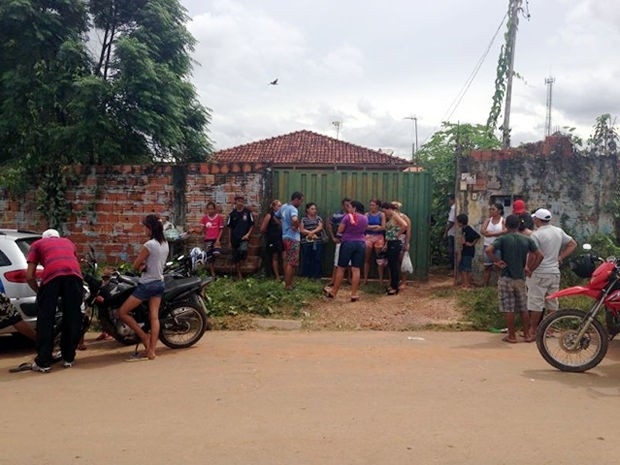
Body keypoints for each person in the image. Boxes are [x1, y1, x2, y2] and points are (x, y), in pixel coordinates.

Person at [25, 228, 84, 372]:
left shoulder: (37, 244)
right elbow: (74, 263)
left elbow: (29, 275)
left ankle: (43, 362)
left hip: (52, 276)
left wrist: (39, 291)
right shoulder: (68, 242)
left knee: (46, 319)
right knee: (72, 316)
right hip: (74, 277)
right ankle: (68, 358)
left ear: (44, 238)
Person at [117, 214, 169, 360]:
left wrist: (141, 266)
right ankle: (151, 351)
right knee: (154, 317)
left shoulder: (149, 245)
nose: (144, 230)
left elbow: (135, 265)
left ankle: (144, 337)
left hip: (147, 285)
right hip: (159, 282)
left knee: (122, 313)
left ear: (150, 228)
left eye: (145, 227)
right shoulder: (165, 244)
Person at [485, 215, 543, 344]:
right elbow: (539, 255)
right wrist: (530, 269)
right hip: (520, 278)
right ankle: (527, 335)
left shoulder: (503, 239)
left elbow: (489, 250)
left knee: (509, 308)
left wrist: (497, 261)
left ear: (506, 226)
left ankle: (512, 336)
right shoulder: (526, 240)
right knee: (523, 307)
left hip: (506, 277)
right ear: (518, 225)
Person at [525, 208, 578, 341]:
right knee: (552, 301)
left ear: (538, 220)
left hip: (539, 272)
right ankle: (550, 329)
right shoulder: (558, 231)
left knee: (536, 302)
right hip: (554, 272)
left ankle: (533, 330)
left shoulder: (536, 235)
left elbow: (533, 255)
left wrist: (529, 268)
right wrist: (560, 257)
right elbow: (572, 244)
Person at [323, 200, 368, 302]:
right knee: (356, 269)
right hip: (361, 243)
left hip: (348, 243)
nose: (349, 209)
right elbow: (364, 230)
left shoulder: (348, 217)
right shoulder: (365, 218)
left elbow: (340, 230)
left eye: (350, 207)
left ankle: (334, 292)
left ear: (355, 208)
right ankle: (354, 294)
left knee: (341, 268)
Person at [277, 191, 304, 290]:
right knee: (292, 263)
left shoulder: (284, 207)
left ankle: (288, 282)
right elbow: (294, 219)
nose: (301, 203)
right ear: (296, 199)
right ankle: (288, 285)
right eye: (301, 201)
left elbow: (276, 216)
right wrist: (296, 225)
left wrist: (283, 226)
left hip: (285, 237)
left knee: (287, 260)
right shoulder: (293, 209)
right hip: (293, 238)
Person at [381, 202, 409, 295]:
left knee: (394, 265)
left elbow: (404, 225)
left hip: (395, 243)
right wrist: (386, 243)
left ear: (389, 209)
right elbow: (388, 230)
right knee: (391, 264)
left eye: (385, 211)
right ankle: (392, 285)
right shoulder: (390, 217)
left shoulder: (395, 215)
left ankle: (394, 287)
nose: (385, 213)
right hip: (390, 242)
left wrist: (397, 234)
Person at [226, 195, 255, 280]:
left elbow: (252, 225)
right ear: (235, 202)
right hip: (234, 238)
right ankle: (239, 275)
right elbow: (229, 228)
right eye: (239, 201)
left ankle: (241, 271)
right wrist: (229, 241)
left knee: (243, 251)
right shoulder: (232, 214)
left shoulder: (248, 212)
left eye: (242, 201)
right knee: (236, 257)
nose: (240, 203)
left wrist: (248, 234)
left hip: (244, 238)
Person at [327, 197, 352, 286]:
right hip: (340, 240)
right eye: (346, 205)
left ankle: (349, 279)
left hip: (350, 240)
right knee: (337, 261)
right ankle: (333, 280)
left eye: (349, 205)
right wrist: (333, 237)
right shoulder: (337, 214)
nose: (348, 206)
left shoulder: (353, 214)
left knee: (350, 262)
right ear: (343, 205)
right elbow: (329, 223)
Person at [480, 202, 507, 286]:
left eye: (493, 209)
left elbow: (505, 231)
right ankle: (485, 286)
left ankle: (500, 286)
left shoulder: (503, 220)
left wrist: (490, 234)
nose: (491, 211)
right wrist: (497, 233)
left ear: (499, 211)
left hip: (498, 246)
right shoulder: (488, 220)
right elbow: (482, 231)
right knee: (487, 267)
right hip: (487, 245)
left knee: (498, 267)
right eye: (490, 209)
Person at [363, 198, 386, 285]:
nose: (371, 207)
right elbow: (364, 226)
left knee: (379, 258)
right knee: (366, 258)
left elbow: (383, 227)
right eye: (370, 205)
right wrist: (375, 226)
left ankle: (381, 280)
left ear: (377, 206)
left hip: (379, 237)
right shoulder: (367, 214)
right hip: (368, 237)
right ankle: (365, 279)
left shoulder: (381, 214)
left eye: (373, 205)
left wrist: (370, 226)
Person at [300, 202, 325, 279]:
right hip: (306, 242)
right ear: (307, 210)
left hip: (317, 242)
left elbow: (320, 227)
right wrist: (310, 233)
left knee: (317, 258)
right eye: (312, 209)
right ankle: (306, 276)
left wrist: (312, 232)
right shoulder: (303, 219)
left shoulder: (318, 218)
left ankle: (317, 276)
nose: (314, 210)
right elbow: (301, 229)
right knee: (306, 259)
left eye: (315, 209)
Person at [260, 199, 284, 280]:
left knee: (282, 257)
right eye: (278, 206)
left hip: (280, 239)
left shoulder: (281, 216)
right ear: (273, 207)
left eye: (281, 206)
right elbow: (262, 228)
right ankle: (276, 276)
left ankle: (282, 274)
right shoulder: (269, 215)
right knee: (275, 257)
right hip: (272, 239)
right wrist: (270, 233)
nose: (280, 207)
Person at [198, 201, 224, 276]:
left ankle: (218, 269)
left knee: (217, 253)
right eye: (209, 209)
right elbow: (201, 230)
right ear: (207, 209)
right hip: (207, 240)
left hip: (216, 239)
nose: (210, 210)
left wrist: (218, 240)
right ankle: (213, 273)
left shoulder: (219, 217)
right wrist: (193, 230)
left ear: (215, 209)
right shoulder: (204, 218)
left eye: (212, 209)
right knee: (209, 257)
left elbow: (221, 229)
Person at [456, 213, 481, 289]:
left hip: (468, 251)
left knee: (466, 268)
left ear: (461, 222)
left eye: (458, 222)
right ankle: (465, 283)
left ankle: (467, 284)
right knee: (463, 267)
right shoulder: (464, 229)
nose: (457, 223)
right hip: (465, 250)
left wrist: (471, 244)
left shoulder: (468, 229)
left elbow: (477, 236)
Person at [392, 201, 412, 289]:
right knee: (392, 260)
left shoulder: (405, 218)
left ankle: (404, 281)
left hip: (402, 239)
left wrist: (406, 243)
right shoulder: (390, 218)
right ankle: (392, 280)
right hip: (392, 240)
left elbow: (408, 232)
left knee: (401, 260)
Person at [443, 194, 457, 272]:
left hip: (452, 233)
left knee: (451, 251)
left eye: (449, 200)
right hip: (453, 232)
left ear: (453, 200)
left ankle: (453, 269)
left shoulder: (453, 208)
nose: (449, 202)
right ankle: (453, 268)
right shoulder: (455, 207)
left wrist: (445, 232)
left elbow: (451, 222)